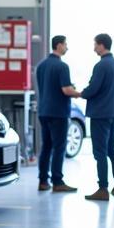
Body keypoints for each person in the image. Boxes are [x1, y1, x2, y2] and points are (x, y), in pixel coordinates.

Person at [81, 33, 114, 201]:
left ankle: (103, 188)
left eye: (95, 45)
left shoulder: (101, 66)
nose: (94, 49)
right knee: (112, 149)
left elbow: (93, 89)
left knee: (99, 152)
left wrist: (80, 93)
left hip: (100, 114)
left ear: (101, 45)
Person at [34, 34, 81, 193]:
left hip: (43, 111)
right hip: (58, 112)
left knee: (46, 146)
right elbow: (66, 90)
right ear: (59, 45)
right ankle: (58, 181)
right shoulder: (62, 67)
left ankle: (43, 181)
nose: (67, 47)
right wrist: (80, 93)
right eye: (65, 44)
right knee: (59, 147)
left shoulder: (41, 65)